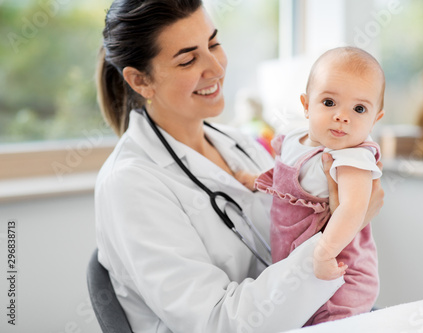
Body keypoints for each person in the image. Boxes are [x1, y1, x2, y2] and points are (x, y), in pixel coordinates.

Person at [94, 1, 384, 332]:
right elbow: (218, 322)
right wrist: (334, 237)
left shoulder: (240, 144)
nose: (216, 67)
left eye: (214, 43)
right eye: (188, 59)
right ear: (140, 81)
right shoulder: (129, 184)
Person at [253, 47, 385, 325]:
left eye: (359, 108)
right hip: (300, 266)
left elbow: (352, 208)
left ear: (375, 119)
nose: (342, 116)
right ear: (305, 104)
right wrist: (249, 178)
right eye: (329, 102)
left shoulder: (351, 156)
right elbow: (281, 174)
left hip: (340, 279)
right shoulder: (294, 138)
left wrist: (325, 252)